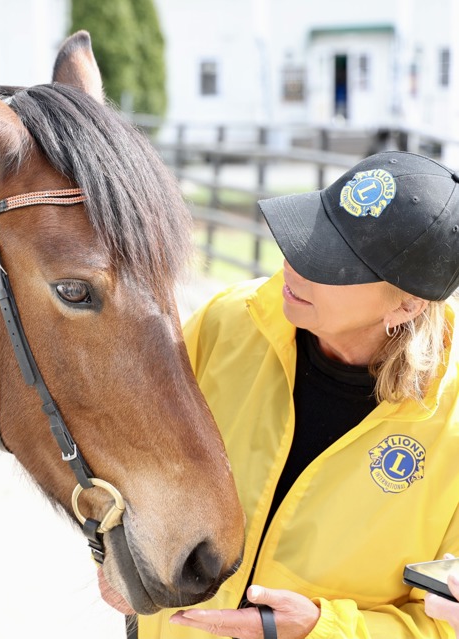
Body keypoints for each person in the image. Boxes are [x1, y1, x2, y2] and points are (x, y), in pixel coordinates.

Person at [138, 150, 459, 639]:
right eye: (312, 232)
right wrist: (116, 556)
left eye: (330, 262)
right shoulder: (228, 322)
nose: (293, 261)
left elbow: (442, 626)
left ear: (407, 303)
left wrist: (320, 629)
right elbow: (136, 458)